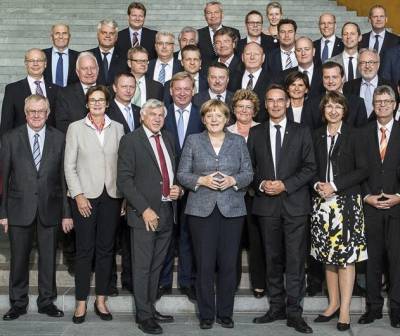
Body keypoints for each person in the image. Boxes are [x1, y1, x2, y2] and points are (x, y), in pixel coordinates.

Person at [177, 99, 253, 329]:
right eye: (209, 115)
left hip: (232, 210)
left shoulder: (238, 141)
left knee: (229, 264)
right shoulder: (193, 141)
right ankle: (207, 314)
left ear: (227, 119)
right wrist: (202, 180)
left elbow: (248, 173)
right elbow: (182, 174)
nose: (214, 119)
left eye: (218, 116)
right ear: (203, 119)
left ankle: (226, 313)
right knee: (205, 264)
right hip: (201, 211)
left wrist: (232, 180)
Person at [248, 84, 316, 334]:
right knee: (272, 259)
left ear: (288, 103)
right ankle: (276, 307)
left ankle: (294, 313)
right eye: (270, 101)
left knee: (296, 261)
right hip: (266, 207)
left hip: (295, 205)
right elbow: (249, 170)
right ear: (265, 105)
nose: (275, 104)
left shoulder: (302, 131)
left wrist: (285, 185)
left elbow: (310, 168)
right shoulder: (256, 133)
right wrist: (263, 183)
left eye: (280, 100)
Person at [0, 95, 72, 321]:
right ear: (25, 112)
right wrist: (3, 214)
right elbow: (3, 178)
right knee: (19, 259)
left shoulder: (59, 138)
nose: (36, 115)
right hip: (18, 208)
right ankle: (18, 303)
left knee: (48, 259)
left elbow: (63, 179)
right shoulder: (11, 138)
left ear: (48, 113)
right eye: (32, 111)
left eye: (41, 111)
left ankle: (46, 302)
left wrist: (66, 213)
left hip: (49, 208)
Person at [117, 99, 181, 335]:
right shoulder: (131, 140)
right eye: (152, 114)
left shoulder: (169, 138)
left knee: (157, 266)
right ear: (142, 116)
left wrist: (179, 190)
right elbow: (124, 180)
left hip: (167, 210)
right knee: (142, 267)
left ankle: (150, 308)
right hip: (144, 214)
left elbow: (172, 173)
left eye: (160, 115)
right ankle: (143, 316)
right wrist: (144, 209)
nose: (156, 118)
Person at [64, 85, 124, 324]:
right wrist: (77, 195)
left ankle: (101, 299)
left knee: (106, 250)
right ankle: (81, 302)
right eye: (93, 100)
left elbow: (124, 164)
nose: (97, 103)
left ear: (107, 103)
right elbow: (69, 166)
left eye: (101, 100)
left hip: (111, 196)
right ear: (87, 103)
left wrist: (125, 198)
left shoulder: (118, 128)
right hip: (85, 198)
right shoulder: (75, 128)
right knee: (84, 250)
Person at [311, 91, 368, 332]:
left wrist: (334, 186)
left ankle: (345, 309)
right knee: (328, 257)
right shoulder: (315, 136)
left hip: (346, 204)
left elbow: (363, 170)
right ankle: (333, 303)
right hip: (321, 204)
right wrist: (317, 185)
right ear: (323, 111)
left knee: (345, 259)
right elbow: (309, 166)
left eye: (338, 107)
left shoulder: (355, 135)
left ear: (344, 110)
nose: (333, 110)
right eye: (329, 106)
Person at [158, 72, 204, 299]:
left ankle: (187, 281)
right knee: (165, 235)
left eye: (187, 89)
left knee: (189, 236)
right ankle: (163, 281)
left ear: (193, 91)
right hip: (163, 186)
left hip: (194, 187)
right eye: (178, 89)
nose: (183, 93)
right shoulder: (160, 114)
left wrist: (186, 184)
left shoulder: (202, 115)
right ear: (171, 91)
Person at [358, 85, 400, 329]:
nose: (382, 105)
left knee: (396, 260)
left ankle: (396, 309)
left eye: (387, 101)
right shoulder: (362, 134)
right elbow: (356, 169)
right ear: (373, 106)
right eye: (378, 102)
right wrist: (366, 197)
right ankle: (373, 308)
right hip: (371, 206)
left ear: (395, 105)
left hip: (397, 207)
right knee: (372, 260)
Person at [227, 89, 265, 298]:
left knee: (257, 242)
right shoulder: (226, 131)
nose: (244, 110)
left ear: (255, 110)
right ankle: (230, 283)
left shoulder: (263, 130)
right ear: (233, 109)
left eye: (248, 107)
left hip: (256, 195)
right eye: (240, 107)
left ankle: (259, 283)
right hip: (231, 194)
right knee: (232, 242)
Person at [107, 72, 141, 295]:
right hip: (111, 182)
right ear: (114, 87)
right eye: (124, 86)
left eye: (132, 86)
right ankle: (109, 282)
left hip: (135, 184)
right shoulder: (106, 112)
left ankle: (130, 279)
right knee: (109, 237)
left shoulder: (141, 112)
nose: (128, 90)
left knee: (130, 239)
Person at [1, 48, 58, 135]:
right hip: (20, 143)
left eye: (39, 60)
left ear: (45, 64)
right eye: (31, 60)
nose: (35, 64)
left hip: (50, 144)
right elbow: (6, 123)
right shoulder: (12, 89)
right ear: (26, 64)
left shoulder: (57, 90)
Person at [305, 61, 368, 130]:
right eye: (326, 77)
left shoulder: (357, 103)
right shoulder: (311, 104)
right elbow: (308, 134)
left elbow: (362, 134)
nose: (330, 81)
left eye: (334, 77)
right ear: (322, 79)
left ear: (343, 78)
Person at [343, 48, 395, 119]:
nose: (367, 66)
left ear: (378, 65)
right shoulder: (348, 86)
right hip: (355, 129)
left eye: (371, 62)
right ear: (358, 66)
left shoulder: (390, 86)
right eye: (363, 62)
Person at [55, 51, 99, 133]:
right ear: (77, 72)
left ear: (98, 69)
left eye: (92, 68)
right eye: (84, 69)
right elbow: (62, 124)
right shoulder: (65, 94)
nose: (89, 72)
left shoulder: (108, 92)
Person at [229, 42, 271, 122]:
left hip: (263, 129)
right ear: (242, 57)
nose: (252, 57)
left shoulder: (273, 80)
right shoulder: (231, 78)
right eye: (248, 54)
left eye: (256, 54)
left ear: (263, 58)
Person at [197, 1, 240, 65]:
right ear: (205, 16)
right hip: (206, 72)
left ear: (222, 15)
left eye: (216, 12)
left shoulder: (234, 32)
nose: (213, 16)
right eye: (209, 13)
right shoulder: (197, 34)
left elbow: (237, 55)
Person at [88, 19, 126, 86]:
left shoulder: (125, 57)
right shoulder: (87, 56)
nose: (107, 36)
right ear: (98, 35)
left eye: (111, 33)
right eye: (104, 33)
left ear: (116, 37)